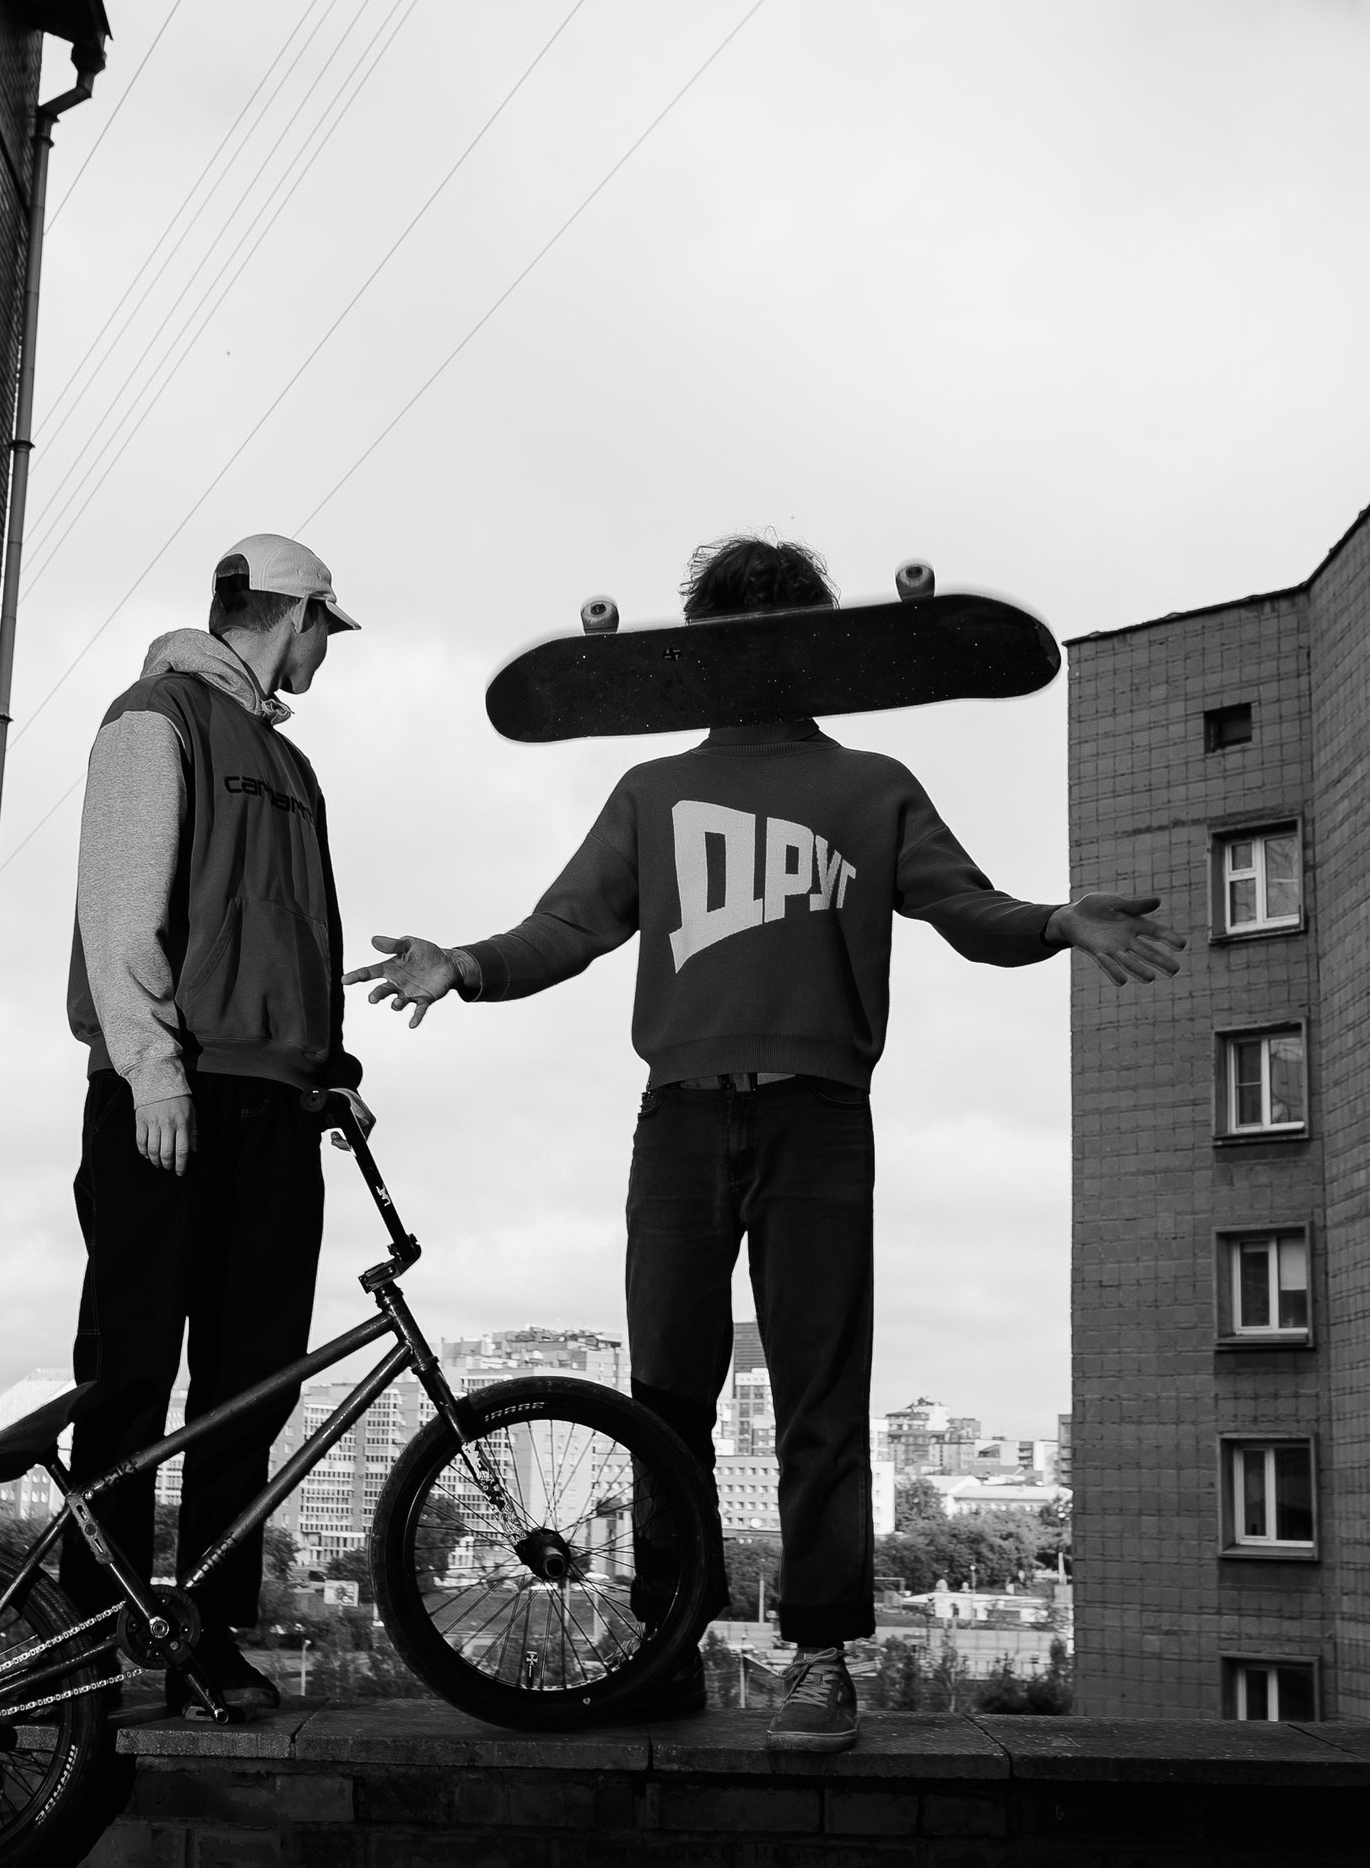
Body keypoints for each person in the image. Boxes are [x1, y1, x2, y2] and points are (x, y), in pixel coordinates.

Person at [344, 534, 1182, 1751]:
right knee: (665, 1398)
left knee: (821, 1397)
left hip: (819, 1122)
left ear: (820, 648)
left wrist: (1056, 919)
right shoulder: (652, 791)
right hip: (680, 1120)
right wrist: (464, 963)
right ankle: (666, 1645)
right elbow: (567, 925)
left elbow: (966, 909)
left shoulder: (873, 785)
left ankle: (822, 1658)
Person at [62, 532, 369, 1717]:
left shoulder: (293, 767)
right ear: (297, 617)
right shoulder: (154, 717)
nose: (326, 656)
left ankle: (202, 1637)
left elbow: (296, 938)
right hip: (168, 1096)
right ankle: (87, 1643)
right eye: (326, 634)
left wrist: (328, 1074)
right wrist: (152, 1072)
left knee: (251, 1385)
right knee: (131, 1374)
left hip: (275, 1111)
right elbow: (118, 909)